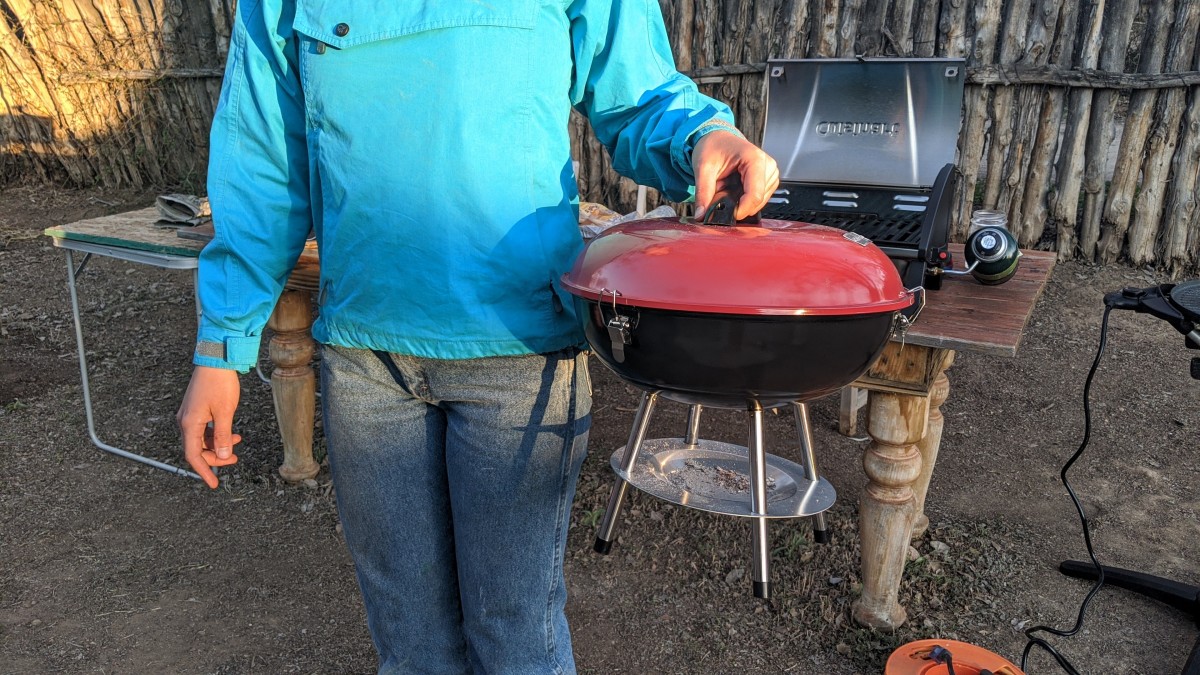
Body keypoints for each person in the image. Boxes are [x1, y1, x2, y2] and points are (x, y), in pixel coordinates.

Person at [176, 1, 780, 673]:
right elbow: (263, 157)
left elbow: (636, 93)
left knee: (514, 632)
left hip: (517, 362)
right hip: (367, 361)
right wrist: (220, 343)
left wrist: (700, 138)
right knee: (411, 644)